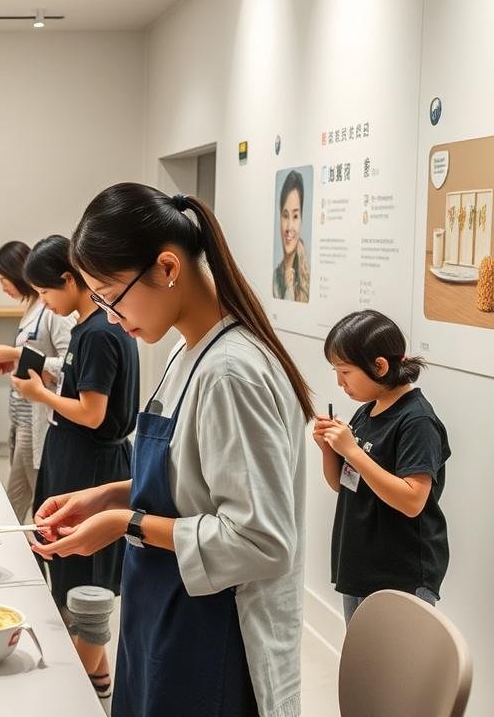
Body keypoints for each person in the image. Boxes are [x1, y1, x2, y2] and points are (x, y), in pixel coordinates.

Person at [36, 183, 311, 717]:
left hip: (216, 638)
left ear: (166, 268)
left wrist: (125, 524)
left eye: (112, 296)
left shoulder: (231, 372)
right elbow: (185, 481)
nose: (111, 316)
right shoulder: (189, 353)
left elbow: (261, 541)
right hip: (165, 614)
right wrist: (105, 498)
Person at [9, 235, 138, 704]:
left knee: (86, 582)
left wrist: (40, 395)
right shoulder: (89, 328)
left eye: (46, 294)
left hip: (92, 463)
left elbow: (94, 413)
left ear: (69, 279)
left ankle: (75, 696)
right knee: (69, 570)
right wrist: (49, 381)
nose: (46, 304)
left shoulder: (101, 332)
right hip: (75, 456)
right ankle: (97, 683)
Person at [315, 309, 449, 624]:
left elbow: (413, 500)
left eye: (345, 371)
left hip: (399, 573)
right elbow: (342, 484)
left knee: (395, 670)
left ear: (379, 366)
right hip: (361, 565)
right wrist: (329, 450)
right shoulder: (366, 413)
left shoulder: (417, 421)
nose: (339, 382)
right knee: (365, 665)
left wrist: (352, 450)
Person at [0, 240, 73, 522]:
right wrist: (16, 361)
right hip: (22, 416)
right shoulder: (35, 307)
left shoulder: (53, 312)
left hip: (38, 420)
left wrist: (18, 354)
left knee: (34, 500)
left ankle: (34, 555)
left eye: (3, 280)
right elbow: (39, 356)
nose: (3, 288)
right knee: (20, 498)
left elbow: (69, 363)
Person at [273, 169, 310, 302]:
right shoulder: (275, 277)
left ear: (301, 219)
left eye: (295, 216)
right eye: (285, 215)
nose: (289, 227)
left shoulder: (306, 278)